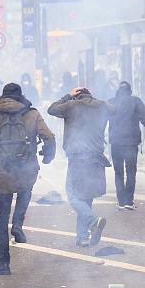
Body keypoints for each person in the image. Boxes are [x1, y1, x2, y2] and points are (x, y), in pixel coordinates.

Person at [0, 83, 56, 275]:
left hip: (2, 172)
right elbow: (49, 137)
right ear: (20, 95)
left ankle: (4, 264)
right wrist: (47, 157)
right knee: (25, 192)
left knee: (1, 218)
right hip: (26, 169)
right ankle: (18, 223)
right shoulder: (32, 114)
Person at [47, 87, 116, 247]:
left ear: (76, 97)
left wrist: (68, 96)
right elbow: (114, 108)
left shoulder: (71, 105)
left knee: (73, 196)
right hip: (96, 159)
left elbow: (51, 109)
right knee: (85, 197)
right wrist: (94, 98)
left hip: (78, 158)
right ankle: (83, 237)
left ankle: (93, 221)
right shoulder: (100, 105)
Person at [107, 81, 145, 210]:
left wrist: (99, 138)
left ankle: (120, 202)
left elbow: (102, 120)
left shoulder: (111, 102)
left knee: (118, 173)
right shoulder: (135, 101)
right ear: (129, 91)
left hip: (116, 142)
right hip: (131, 142)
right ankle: (128, 201)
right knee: (131, 172)